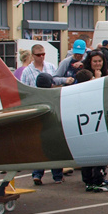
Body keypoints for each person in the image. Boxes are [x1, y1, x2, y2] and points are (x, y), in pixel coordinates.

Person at [19, 44, 64, 185]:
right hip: (37, 108)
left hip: (52, 108)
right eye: (38, 55)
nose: (42, 57)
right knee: (40, 143)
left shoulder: (50, 67)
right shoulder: (27, 72)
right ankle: (37, 174)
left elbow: (56, 82)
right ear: (33, 56)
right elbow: (24, 92)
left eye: (43, 54)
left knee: (55, 142)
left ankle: (57, 175)